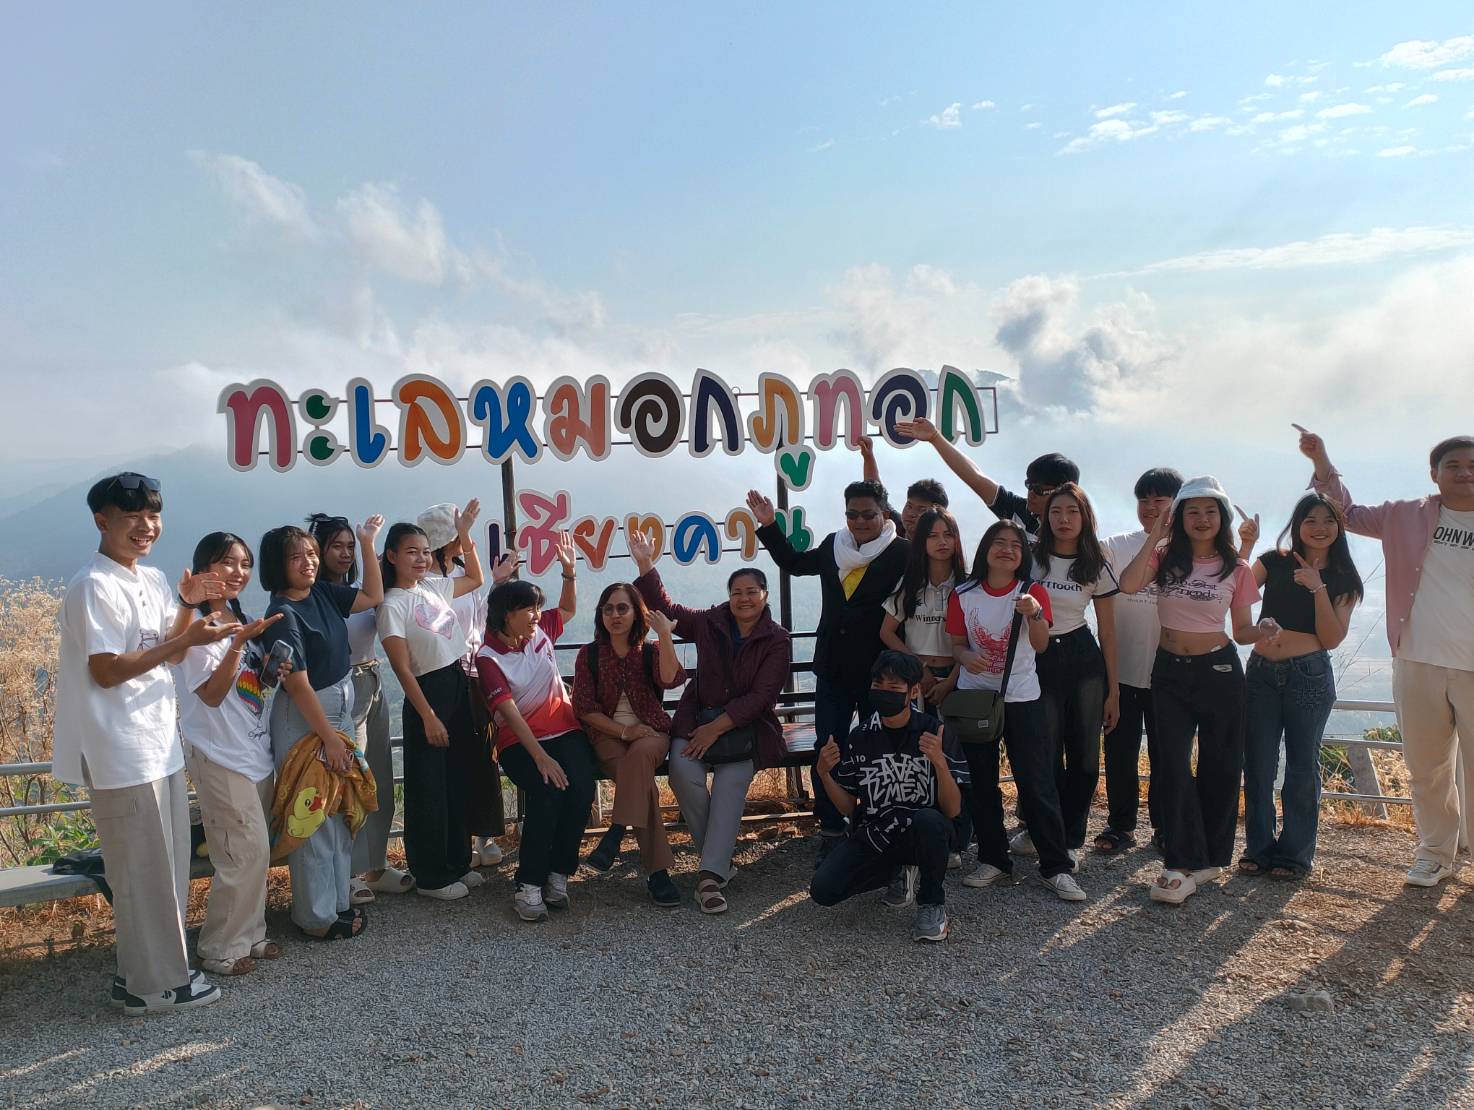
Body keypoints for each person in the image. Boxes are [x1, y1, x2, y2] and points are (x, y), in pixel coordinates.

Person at [54, 473, 238, 1014]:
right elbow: (107, 670)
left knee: (167, 867)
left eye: (153, 515)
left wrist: (185, 605)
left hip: (158, 742)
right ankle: (151, 986)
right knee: (140, 872)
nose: (146, 526)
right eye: (131, 516)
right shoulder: (93, 585)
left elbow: (174, 652)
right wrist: (188, 635)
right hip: (118, 750)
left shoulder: (153, 578)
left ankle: (151, 973)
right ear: (101, 521)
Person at [1299, 427, 1474, 887]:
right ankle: (1435, 852)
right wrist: (1321, 461)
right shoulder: (1404, 516)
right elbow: (1346, 514)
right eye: (1454, 465)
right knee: (1427, 767)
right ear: (1434, 473)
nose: (1464, 473)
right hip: (1417, 659)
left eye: (1472, 466)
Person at [1118, 477, 1274, 905]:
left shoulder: (1237, 568)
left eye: (1210, 511)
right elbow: (1128, 584)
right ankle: (1181, 858)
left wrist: (1263, 628)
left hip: (1219, 670)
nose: (1202, 519)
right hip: (1169, 670)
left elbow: (1241, 630)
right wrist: (1157, 532)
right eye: (1192, 511)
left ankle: (1208, 859)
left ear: (1221, 517)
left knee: (1221, 765)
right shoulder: (1164, 556)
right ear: (1180, 517)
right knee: (1170, 763)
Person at [631, 531, 792, 915]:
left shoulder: (777, 639)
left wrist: (716, 728)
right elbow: (669, 610)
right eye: (737, 592)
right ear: (729, 596)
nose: (744, 598)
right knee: (682, 772)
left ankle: (708, 878)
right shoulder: (711, 622)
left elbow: (762, 697)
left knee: (730, 784)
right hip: (696, 718)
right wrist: (645, 565)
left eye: (752, 591)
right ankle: (719, 862)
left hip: (746, 730)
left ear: (765, 595)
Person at [747, 480, 908, 860]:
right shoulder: (835, 544)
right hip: (833, 667)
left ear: (884, 513)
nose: (860, 521)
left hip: (881, 672)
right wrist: (769, 525)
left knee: (881, 749)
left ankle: (879, 824)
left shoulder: (903, 552)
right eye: (852, 514)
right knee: (828, 747)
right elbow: (794, 563)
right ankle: (832, 828)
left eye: (868, 514)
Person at [259, 515, 385, 939]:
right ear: (277, 565)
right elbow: (296, 684)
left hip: (338, 715)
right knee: (311, 816)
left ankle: (336, 904)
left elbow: (372, 595)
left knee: (337, 812)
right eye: (296, 557)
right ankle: (315, 917)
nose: (309, 562)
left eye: (311, 554)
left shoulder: (322, 593)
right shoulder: (283, 613)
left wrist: (367, 542)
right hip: (307, 721)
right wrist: (330, 739)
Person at [946, 520, 1084, 901]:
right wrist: (966, 657)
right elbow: (956, 644)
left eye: (1015, 545)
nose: (1007, 550)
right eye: (999, 542)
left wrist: (1035, 613)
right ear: (985, 549)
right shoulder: (963, 594)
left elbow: (1040, 646)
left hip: (1022, 696)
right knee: (981, 782)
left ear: (1024, 555)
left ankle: (1055, 866)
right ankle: (993, 858)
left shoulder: (1032, 592)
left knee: (1036, 781)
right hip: (976, 698)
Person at [175, 533, 287, 978]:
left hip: (254, 748)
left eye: (244, 564)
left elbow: (250, 687)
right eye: (227, 563)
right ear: (203, 568)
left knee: (257, 852)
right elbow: (211, 693)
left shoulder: (239, 616)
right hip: (219, 753)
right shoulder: (196, 626)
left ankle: (251, 934)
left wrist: (270, 668)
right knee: (241, 853)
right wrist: (238, 643)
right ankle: (220, 946)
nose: (238, 572)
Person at [474, 534, 597, 922]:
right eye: (527, 609)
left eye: (537, 608)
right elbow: (509, 713)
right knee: (546, 794)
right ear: (505, 615)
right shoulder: (488, 657)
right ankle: (528, 885)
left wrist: (570, 572)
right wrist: (540, 757)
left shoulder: (540, 631)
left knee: (581, 788)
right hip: (519, 742)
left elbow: (569, 609)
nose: (536, 615)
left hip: (566, 729)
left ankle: (558, 873)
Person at [1240, 493, 1363, 880]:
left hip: (1308, 673)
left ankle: (1293, 856)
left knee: (1301, 767)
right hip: (1261, 672)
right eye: (1311, 520)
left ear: (1339, 527)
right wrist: (1245, 546)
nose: (1319, 528)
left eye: (1328, 520)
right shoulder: (1273, 561)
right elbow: (1233, 592)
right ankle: (1258, 849)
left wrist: (1317, 587)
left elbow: (1331, 638)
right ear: (1297, 524)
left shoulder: (1344, 578)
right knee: (1257, 764)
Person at [810, 652, 969, 943]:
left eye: (894, 688)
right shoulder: (860, 737)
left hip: (926, 832)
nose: (884, 693)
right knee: (823, 890)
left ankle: (932, 903)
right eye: (878, 685)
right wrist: (823, 774)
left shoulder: (935, 732)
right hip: (878, 832)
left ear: (914, 691)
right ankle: (897, 870)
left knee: (929, 821)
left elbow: (953, 809)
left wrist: (939, 763)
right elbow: (848, 806)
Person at [377, 506, 486, 901]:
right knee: (428, 788)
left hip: (455, 681)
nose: (421, 558)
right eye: (411, 552)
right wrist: (427, 715)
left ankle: (456, 861)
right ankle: (431, 875)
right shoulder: (392, 604)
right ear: (392, 556)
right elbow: (401, 668)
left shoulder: (430, 587)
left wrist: (465, 534)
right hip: (428, 690)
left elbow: (475, 579)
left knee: (455, 779)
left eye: (425, 551)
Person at [307, 512, 414, 905]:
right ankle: (348, 872)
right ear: (317, 550)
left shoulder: (357, 589)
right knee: (350, 778)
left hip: (372, 680)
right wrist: (370, 543)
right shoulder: (317, 595)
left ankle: (377, 865)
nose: (345, 553)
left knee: (379, 775)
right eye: (336, 546)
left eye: (350, 546)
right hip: (341, 688)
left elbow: (382, 596)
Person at [416, 502, 519, 869]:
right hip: (448, 674)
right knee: (458, 759)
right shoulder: (425, 580)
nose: (464, 538)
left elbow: (478, 621)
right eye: (458, 531)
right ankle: (461, 840)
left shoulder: (460, 571)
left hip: (476, 674)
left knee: (482, 755)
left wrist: (498, 584)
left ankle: (482, 837)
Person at [571, 581, 684, 906]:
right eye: (608, 609)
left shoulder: (649, 651)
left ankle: (616, 831)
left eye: (623, 608)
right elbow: (584, 708)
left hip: (651, 733)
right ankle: (657, 873)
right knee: (642, 785)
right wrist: (624, 732)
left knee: (638, 762)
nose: (615, 615)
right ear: (600, 615)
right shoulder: (590, 655)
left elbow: (671, 679)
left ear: (637, 613)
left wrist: (665, 636)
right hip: (608, 736)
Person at [1030, 483, 1120, 862]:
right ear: (1045, 517)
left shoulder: (1094, 564)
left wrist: (1113, 691)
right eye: (1056, 511)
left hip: (1082, 657)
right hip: (1039, 657)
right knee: (1046, 752)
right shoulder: (1031, 558)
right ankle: (1047, 834)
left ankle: (1070, 839)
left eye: (1072, 511)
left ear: (1085, 517)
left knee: (1084, 756)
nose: (1063, 519)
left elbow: (1108, 631)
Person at [1096, 469, 1183, 854]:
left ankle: (1165, 826)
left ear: (1177, 504)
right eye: (1143, 500)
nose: (1150, 507)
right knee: (1119, 753)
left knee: (1168, 755)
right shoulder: (1115, 547)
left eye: (1159, 500)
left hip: (1170, 674)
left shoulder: (1191, 551)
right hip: (1121, 670)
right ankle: (1120, 825)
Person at [879, 507, 967, 866]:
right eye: (933, 535)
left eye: (948, 534)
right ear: (921, 542)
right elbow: (886, 632)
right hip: (919, 684)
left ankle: (958, 837)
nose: (941, 542)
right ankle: (933, 837)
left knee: (958, 759)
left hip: (960, 680)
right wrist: (919, 669)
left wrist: (951, 681)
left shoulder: (968, 584)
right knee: (923, 759)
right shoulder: (910, 584)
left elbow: (976, 641)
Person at [895, 416, 1078, 537]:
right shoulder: (1020, 512)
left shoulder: (1082, 531)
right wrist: (935, 437)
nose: (1030, 493)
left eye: (1038, 490)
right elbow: (975, 477)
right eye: (1028, 485)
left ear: (1065, 491)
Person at [857, 433, 949, 538]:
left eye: (922, 510)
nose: (911, 514)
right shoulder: (896, 528)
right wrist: (868, 457)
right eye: (909, 506)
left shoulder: (943, 545)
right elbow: (875, 492)